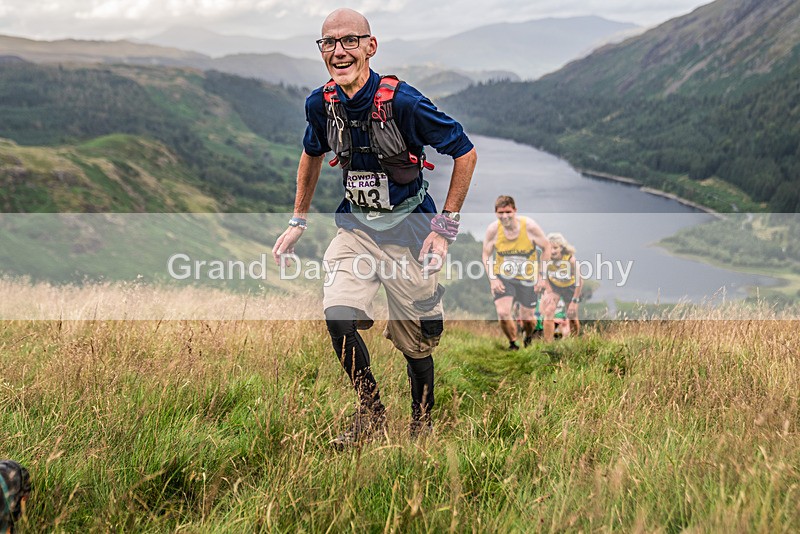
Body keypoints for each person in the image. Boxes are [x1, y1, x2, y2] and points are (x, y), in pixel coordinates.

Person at [272, 8, 477, 447]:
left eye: (350, 41)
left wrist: (445, 227)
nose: (339, 50)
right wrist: (298, 219)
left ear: (370, 46)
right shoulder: (320, 104)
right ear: (322, 50)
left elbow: (465, 152)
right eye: (329, 42)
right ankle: (372, 414)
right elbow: (311, 154)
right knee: (338, 318)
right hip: (357, 232)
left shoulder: (404, 102)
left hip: (411, 237)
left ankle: (421, 428)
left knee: (416, 344)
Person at [482, 196, 551, 350]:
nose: (504, 216)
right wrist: (493, 279)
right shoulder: (493, 230)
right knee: (502, 312)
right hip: (504, 277)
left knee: (528, 319)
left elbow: (547, 247)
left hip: (528, 278)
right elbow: (486, 255)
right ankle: (513, 343)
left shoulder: (529, 227)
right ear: (495, 213)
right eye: (500, 213)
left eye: (508, 212)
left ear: (515, 211)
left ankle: (528, 336)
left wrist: (542, 277)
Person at [541, 232, 582, 339]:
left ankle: (574, 341)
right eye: (550, 248)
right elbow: (542, 274)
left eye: (555, 248)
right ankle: (548, 345)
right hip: (555, 286)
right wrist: (549, 291)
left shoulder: (570, 260)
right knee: (549, 311)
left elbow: (579, 281)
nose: (553, 251)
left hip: (570, 287)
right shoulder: (545, 258)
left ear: (561, 248)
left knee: (572, 315)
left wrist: (574, 301)